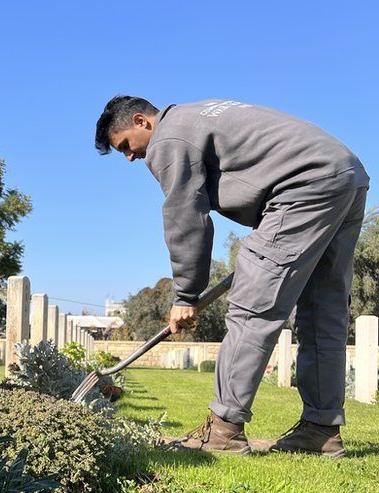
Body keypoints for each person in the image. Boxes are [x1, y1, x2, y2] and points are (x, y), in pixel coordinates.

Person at [95, 97, 369, 457]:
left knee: (253, 308)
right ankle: (321, 429)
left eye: (126, 146)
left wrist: (185, 295)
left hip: (302, 188)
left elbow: (185, 214)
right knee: (323, 310)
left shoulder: (168, 138)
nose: (130, 157)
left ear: (141, 120)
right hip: (344, 175)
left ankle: (223, 429)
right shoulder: (199, 114)